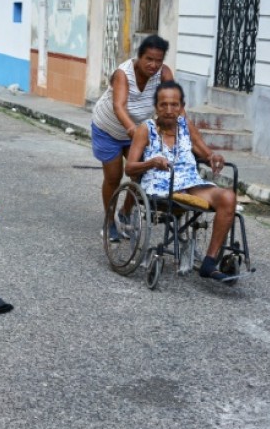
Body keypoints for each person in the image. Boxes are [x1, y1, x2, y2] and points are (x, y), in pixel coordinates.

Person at [126, 81, 236, 282]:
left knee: (228, 196)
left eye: (175, 105)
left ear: (181, 106)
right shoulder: (146, 129)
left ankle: (209, 261)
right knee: (191, 191)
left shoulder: (186, 127)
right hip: (160, 187)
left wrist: (214, 158)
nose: (169, 110)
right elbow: (130, 167)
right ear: (156, 107)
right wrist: (151, 163)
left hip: (191, 184)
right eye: (164, 105)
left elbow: (206, 152)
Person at [91, 34, 176, 241]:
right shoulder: (123, 73)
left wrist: (180, 131)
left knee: (140, 172)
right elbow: (119, 106)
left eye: (158, 60)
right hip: (108, 129)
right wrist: (132, 130)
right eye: (149, 59)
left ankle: (126, 212)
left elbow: (174, 103)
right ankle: (109, 221)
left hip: (138, 130)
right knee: (113, 177)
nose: (154, 65)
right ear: (139, 56)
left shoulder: (164, 74)